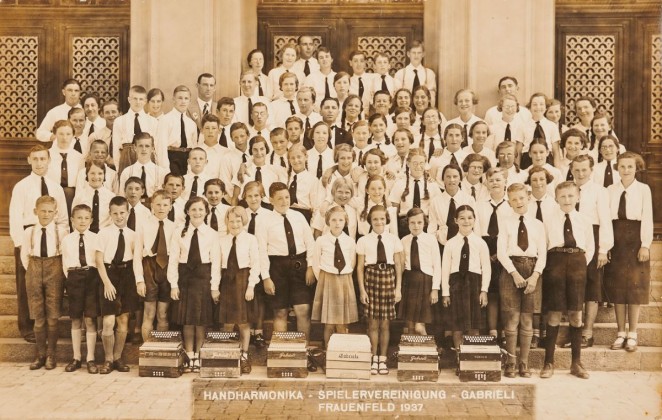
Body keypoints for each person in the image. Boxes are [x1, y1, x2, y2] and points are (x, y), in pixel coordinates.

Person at [9, 145, 69, 343]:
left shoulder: (56, 187)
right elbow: (15, 217)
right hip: (29, 239)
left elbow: (62, 218)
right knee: (27, 286)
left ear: (49, 160)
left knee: (52, 288)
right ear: (29, 161)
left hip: (52, 240)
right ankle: (28, 328)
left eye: (43, 159)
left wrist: (62, 241)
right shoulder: (22, 186)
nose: (39, 163)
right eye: (35, 159)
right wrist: (20, 245)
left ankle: (52, 327)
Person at [256, 183, 316, 370]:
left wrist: (311, 267)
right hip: (277, 268)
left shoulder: (299, 217)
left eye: (287, 197)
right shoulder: (264, 220)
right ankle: (281, 354)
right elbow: (261, 250)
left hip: (299, 265)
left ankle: (303, 354)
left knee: (303, 310)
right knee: (280, 311)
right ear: (271, 200)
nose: (284, 201)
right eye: (280, 198)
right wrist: (266, 277)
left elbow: (310, 243)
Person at [540, 181, 594, 379]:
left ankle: (576, 363)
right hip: (555, 262)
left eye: (571, 196)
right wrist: (552, 266)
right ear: (556, 199)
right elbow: (544, 243)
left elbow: (590, 247)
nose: (567, 200)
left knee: (576, 315)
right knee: (553, 314)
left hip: (578, 264)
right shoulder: (548, 220)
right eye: (562, 196)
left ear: (578, 197)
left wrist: (578, 265)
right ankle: (548, 362)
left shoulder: (584, 220)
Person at [604, 152, 652, 353]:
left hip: (635, 240)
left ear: (636, 168)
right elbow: (606, 219)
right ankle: (620, 332)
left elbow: (647, 217)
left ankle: (633, 333)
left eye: (630, 166)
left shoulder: (643, 189)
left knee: (634, 287)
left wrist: (645, 245)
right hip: (616, 239)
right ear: (617, 168)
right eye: (622, 166)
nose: (626, 170)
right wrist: (606, 246)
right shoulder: (610, 190)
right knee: (618, 289)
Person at [497, 183, 547, 378]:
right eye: (514, 199)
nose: (518, 202)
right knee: (511, 319)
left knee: (527, 319)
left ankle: (523, 363)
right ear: (509, 202)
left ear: (528, 198)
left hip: (532, 270)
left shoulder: (537, 225)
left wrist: (535, 276)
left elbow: (542, 253)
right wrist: (514, 273)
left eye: (521, 198)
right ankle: (510, 361)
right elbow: (501, 252)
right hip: (511, 270)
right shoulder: (506, 222)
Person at [168, 196, 220, 372]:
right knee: (187, 320)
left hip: (204, 277)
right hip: (185, 278)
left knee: (201, 320)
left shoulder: (212, 234)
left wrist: (214, 287)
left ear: (206, 212)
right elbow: (173, 260)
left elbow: (216, 263)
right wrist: (174, 284)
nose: (197, 213)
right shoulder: (178, 233)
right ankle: (189, 355)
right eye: (193, 209)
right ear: (187, 212)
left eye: (200, 209)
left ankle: (199, 355)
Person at [568, 154, 613, 348]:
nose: (580, 173)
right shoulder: (566, 188)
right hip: (570, 237)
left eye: (584, 169)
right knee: (573, 285)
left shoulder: (599, 191)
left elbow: (605, 220)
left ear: (591, 170)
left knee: (592, 285)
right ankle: (575, 333)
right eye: (576, 169)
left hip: (592, 238)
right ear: (571, 170)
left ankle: (587, 332)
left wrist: (603, 249)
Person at [21, 196, 68, 370]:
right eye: (43, 211)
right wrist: (34, 271)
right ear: (36, 212)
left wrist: (58, 273)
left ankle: (51, 355)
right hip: (34, 270)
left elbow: (65, 255)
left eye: (50, 211)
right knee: (38, 318)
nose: (46, 214)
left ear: (55, 213)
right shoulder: (29, 232)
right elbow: (25, 256)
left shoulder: (61, 232)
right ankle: (40, 355)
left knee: (53, 317)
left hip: (54, 270)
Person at [356, 205, 403, 375]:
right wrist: (362, 290)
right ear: (370, 220)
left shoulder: (393, 239)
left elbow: (398, 265)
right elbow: (360, 268)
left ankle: (383, 359)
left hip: (388, 278)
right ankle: (372, 357)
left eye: (382, 218)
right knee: (372, 322)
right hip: (371, 278)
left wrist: (398, 289)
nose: (379, 222)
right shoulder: (363, 240)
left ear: (387, 220)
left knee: (385, 323)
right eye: (375, 219)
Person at [95, 196, 138, 374]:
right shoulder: (103, 233)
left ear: (127, 213)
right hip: (109, 274)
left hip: (127, 275)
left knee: (123, 320)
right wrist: (106, 283)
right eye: (115, 213)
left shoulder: (133, 235)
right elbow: (98, 260)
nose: (119, 216)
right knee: (108, 320)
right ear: (110, 214)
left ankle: (118, 357)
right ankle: (108, 359)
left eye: (122, 213)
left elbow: (136, 260)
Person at [441, 205, 490, 352]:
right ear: (456, 220)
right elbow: (445, 269)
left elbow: (486, 268)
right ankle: (459, 357)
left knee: (474, 325)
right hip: (456, 285)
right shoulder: (450, 243)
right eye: (462, 218)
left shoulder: (481, 243)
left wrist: (484, 290)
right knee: (458, 326)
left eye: (470, 218)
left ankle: (472, 358)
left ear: (475, 220)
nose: (466, 221)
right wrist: (445, 293)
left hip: (474, 284)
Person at [218, 206, 261, 374]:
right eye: (231, 221)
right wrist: (215, 288)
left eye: (238, 220)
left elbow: (255, 264)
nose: (235, 224)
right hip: (227, 282)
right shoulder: (221, 240)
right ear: (226, 222)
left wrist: (251, 286)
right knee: (227, 322)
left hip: (243, 282)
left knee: (244, 322)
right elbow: (216, 265)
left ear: (243, 221)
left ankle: (244, 355)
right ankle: (228, 355)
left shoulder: (251, 239)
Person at [311, 206, 358, 349]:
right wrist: (324, 280)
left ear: (345, 222)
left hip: (344, 280)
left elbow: (352, 261)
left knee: (342, 323)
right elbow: (316, 263)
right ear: (327, 222)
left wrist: (343, 276)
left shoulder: (350, 241)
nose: (337, 223)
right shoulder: (321, 240)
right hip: (327, 280)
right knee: (329, 323)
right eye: (333, 220)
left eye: (341, 220)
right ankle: (328, 352)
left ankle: (341, 352)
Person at [61, 204, 100, 373]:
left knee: (90, 319)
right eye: (79, 218)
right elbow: (64, 263)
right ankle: (76, 357)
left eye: (86, 218)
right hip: (74, 277)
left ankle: (90, 358)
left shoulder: (96, 238)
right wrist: (70, 280)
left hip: (92, 277)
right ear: (72, 220)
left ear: (91, 220)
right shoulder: (67, 239)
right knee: (76, 318)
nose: (82, 221)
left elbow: (98, 261)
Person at [476, 168, 514, 341]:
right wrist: (486, 254)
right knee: (491, 292)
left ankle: (506, 330)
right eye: (491, 180)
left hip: (505, 248)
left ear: (505, 182)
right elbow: (476, 233)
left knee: (505, 292)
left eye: (499, 179)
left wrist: (501, 253)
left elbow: (512, 231)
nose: (495, 183)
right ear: (486, 184)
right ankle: (492, 331)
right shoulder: (480, 205)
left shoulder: (511, 205)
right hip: (486, 247)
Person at [133, 190, 175, 342]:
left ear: (170, 207)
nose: (161, 208)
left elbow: (176, 255)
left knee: (162, 313)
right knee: (149, 313)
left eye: (165, 205)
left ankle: (160, 348)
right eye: (158, 204)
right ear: (151, 205)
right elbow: (137, 255)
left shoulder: (174, 227)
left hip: (167, 269)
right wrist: (139, 280)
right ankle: (147, 349)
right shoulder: (143, 225)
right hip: (149, 268)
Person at [399, 208, 441, 335]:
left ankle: (427, 350)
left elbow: (437, 265)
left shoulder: (431, 239)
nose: (416, 226)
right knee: (410, 325)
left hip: (425, 281)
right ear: (408, 223)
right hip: (409, 280)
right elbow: (401, 265)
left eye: (419, 222)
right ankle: (411, 352)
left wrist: (435, 289)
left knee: (419, 326)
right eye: (412, 223)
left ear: (424, 223)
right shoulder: (403, 240)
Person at [242, 181, 271, 348]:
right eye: (249, 196)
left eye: (256, 195)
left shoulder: (268, 215)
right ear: (244, 197)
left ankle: (258, 331)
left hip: (265, 259)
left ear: (262, 196)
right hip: (246, 261)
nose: (253, 199)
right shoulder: (241, 214)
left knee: (260, 298)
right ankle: (247, 330)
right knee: (247, 296)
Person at [389, 149, 441, 237]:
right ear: (408, 163)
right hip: (405, 226)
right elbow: (394, 212)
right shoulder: (400, 184)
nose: (418, 166)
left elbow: (437, 211)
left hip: (425, 225)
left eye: (421, 163)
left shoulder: (432, 185)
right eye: (415, 163)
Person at [112, 85, 158, 174]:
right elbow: (116, 147)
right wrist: (118, 168)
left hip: (147, 155)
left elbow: (156, 146)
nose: (138, 102)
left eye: (141, 99)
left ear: (145, 101)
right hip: (127, 156)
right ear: (129, 99)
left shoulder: (153, 121)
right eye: (135, 98)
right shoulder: (119, 121)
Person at [155, 85, 198, 175]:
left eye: (186, 98)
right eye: (180, 98)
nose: (183, 101)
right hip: (172, 157)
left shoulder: (192, 123)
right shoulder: (165, 120)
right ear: (173, 100)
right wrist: (165, 169)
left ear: (189, 101)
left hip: (187, 158)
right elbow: (161, 147)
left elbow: (194, 147)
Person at [232, 136, 286, 205]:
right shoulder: (242, 171)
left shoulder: (275, 171)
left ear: (266, 149)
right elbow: (235, 198)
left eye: (262, 149)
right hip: (245, 207)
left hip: (268, 208)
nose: (259, 153)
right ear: (251, 151)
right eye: (255, 149)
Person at [47, 120, 84, 217]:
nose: (64, 138)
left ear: (73, 135)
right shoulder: (47, 154)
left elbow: (81, 183)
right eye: (61, 134)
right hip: (51, 195)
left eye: (68, 134)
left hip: (71, 197)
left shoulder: (79, 157)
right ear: (54, 134)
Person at [119, 133, 168, 199]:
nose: (144, 149)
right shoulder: (127, 172)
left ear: (152, 149)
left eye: (147, 146)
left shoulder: (161, 172)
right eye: (140, 146)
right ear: (135, 148)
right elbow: (122, 195)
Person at [72, 162, 115, 233]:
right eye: (92, 173)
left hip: (105, 236)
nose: (96, 177)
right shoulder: (80, 196)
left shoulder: (111, 197)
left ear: (104, 175)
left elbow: (113, 221)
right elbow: (74, 221)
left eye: (100, 173)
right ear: (87, 175)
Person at [522, 93, 561, 169]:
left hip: (547, 159)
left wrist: (557, 170)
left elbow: (556, 152)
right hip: (527, 160)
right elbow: (518, 150)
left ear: (546, 107)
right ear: (530, 107)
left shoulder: (552, 126)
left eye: (541, 104)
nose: (538, 107)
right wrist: (518, 170)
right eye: (535, 104)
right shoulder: (523, 126)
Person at [394, 41, 437, 106]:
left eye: (419, 53)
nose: (416, 56)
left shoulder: (429, 73)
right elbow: (397, 97)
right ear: (408, 54)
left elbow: (432, 97)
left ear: (423, 54)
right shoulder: (400, 74)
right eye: (413, 53)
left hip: (422, 108)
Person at [286, 143, 320, 223]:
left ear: (306, 157)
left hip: (304, 217)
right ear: (289, 160)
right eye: (292, 158)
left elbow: (316, 207)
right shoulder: (285, 177)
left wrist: (311, 228)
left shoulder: (312, 180)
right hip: (287, 215)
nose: (296, 160)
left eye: (299, 157)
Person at [487, 94, 524, 161]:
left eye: (513, 107)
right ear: (501, 107)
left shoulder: (521, 128)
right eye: (507, 107)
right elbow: (489, 151)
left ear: (516, 108)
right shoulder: (492, 129)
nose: (510, 110)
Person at [88, 99, 120, 164]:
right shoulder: (95, 136)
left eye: (113, 112)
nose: (111, 115)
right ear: (102, 115)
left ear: (120, 113)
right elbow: (89, 158)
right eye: (107, 112)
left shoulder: (126, 136)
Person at [198, 114, 226, 179]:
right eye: (207, 128)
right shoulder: (196, 151)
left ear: (219, 131)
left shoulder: (226, 153)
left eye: (214, 128)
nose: (210, 131)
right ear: (202, 130)